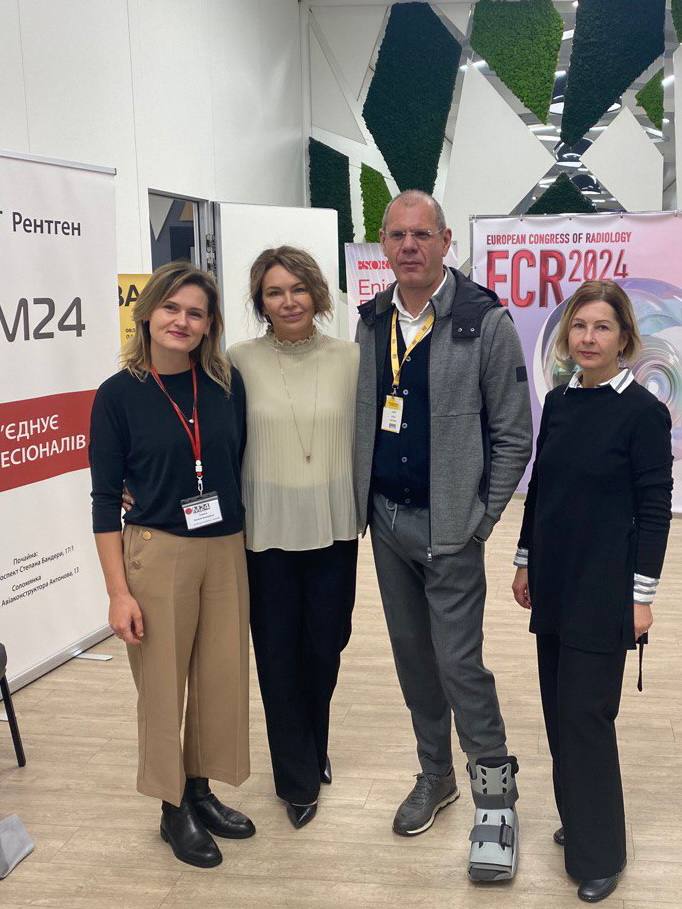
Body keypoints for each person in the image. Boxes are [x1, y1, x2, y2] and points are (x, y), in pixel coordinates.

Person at [354, 190, 532, 880]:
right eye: (397, 235)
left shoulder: (484, 321)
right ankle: (436, 776)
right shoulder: (372, 320)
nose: (409, 246)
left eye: (422, 234)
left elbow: (514, 436)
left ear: (446, 240)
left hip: (451, 529)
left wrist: (479, 521)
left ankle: (496, 800)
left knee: (460, 666)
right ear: (383, 243)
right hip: (387, 523)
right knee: (412, 660)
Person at [89, 261, 255, 869]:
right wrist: (118, 592)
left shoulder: (225, 385)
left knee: (219, 678)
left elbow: (236, 461)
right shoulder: (117, 395)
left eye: (196, 313)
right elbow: (103, 500)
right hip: (158, 550)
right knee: (162, 685)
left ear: (209, 325)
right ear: (148, 312)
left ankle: (200, 789)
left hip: (225, 547)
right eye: (172, 308)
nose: (182, 321)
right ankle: (171, 806)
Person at [512, 280, 673, 903]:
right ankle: (580, 817)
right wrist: (525, 561)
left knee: (586, 716)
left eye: (602, 326)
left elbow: (655, 510)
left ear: (625, 337)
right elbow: (541, 488)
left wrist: (641, 596)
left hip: (605, 590)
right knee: (559, 710)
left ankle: (601, 852)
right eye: (579, 326)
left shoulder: (644, 413)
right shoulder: (559, 403)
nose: (588, 337)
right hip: (555, 580)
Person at [229, 246, 359, 829]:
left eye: (298, 288)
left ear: (317, 294)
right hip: (266, 535)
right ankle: (296, 778)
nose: (288, 301)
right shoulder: (238, 360)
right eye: (275, 292)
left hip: (334, 528)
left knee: (324, 649)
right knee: (278, 657)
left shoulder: (351, 358)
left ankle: (314, 743)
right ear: (261, 302)